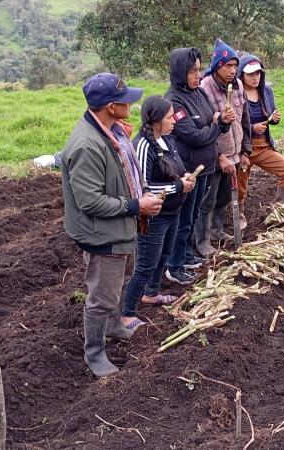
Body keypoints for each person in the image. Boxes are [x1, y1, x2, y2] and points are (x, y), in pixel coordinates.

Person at [61, 73, 163, 377]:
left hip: (120, 226)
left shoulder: (114, 131)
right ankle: (94, 352)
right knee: (102, 296)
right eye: (125, 100)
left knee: (119, 280)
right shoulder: (87, 145)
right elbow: (89, 202)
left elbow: (129, 172)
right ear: (110, 107)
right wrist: (135, 205)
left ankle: (115, 326)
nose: (131, 104)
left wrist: (143, 194)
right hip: (101, 234)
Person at [120, 96, 195, 329]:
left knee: (164, 255)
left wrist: (184, 177)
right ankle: (126, 313)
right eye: (169, 117)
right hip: (154, 216)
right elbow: (142, 187)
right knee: (145, 265)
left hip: (172, 211)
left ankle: (151, 294)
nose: (174, 121)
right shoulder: (143, 145)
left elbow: (174, 170)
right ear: (155, 120)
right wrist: (178, 187)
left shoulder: (167, 139)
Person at [165, 47, 235, 281]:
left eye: (198, 70)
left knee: (193, 215)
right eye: (192, 71)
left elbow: (212, 119)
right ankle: (174, 266)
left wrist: (222, 120)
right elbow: (193, 136)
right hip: (187, 170)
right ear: (180, 72)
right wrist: (217, 126)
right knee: (183, 219)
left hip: (204, 166)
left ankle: (186, 255)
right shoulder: (173, 100)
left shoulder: (198, 93)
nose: (198, 75)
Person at [197, 38, 252, 255]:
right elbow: (204, 126)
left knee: (223, 197)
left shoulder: (237, 85)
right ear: (217, 66)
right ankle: (201, 241)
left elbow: (245, 118)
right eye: (228, 66)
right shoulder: (205, 88)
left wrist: (245, 150)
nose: (232, 70)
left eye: (235, 65)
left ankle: (217, 231)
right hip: (215, 155)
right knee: (207, 200)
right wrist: (220, 156)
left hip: (235, 153)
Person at [236, 54, 284, 222]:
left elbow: (272, 113)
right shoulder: (236, 94)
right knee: (240, 186)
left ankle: (279, 209)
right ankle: (239, 214)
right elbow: (233, 123)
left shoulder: (266, 91)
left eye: (258, 73)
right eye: (250, 74)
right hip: (244, 149)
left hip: (263, 147)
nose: (255, 77)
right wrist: (252, 128)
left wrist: (275, 118)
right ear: (242, 75)